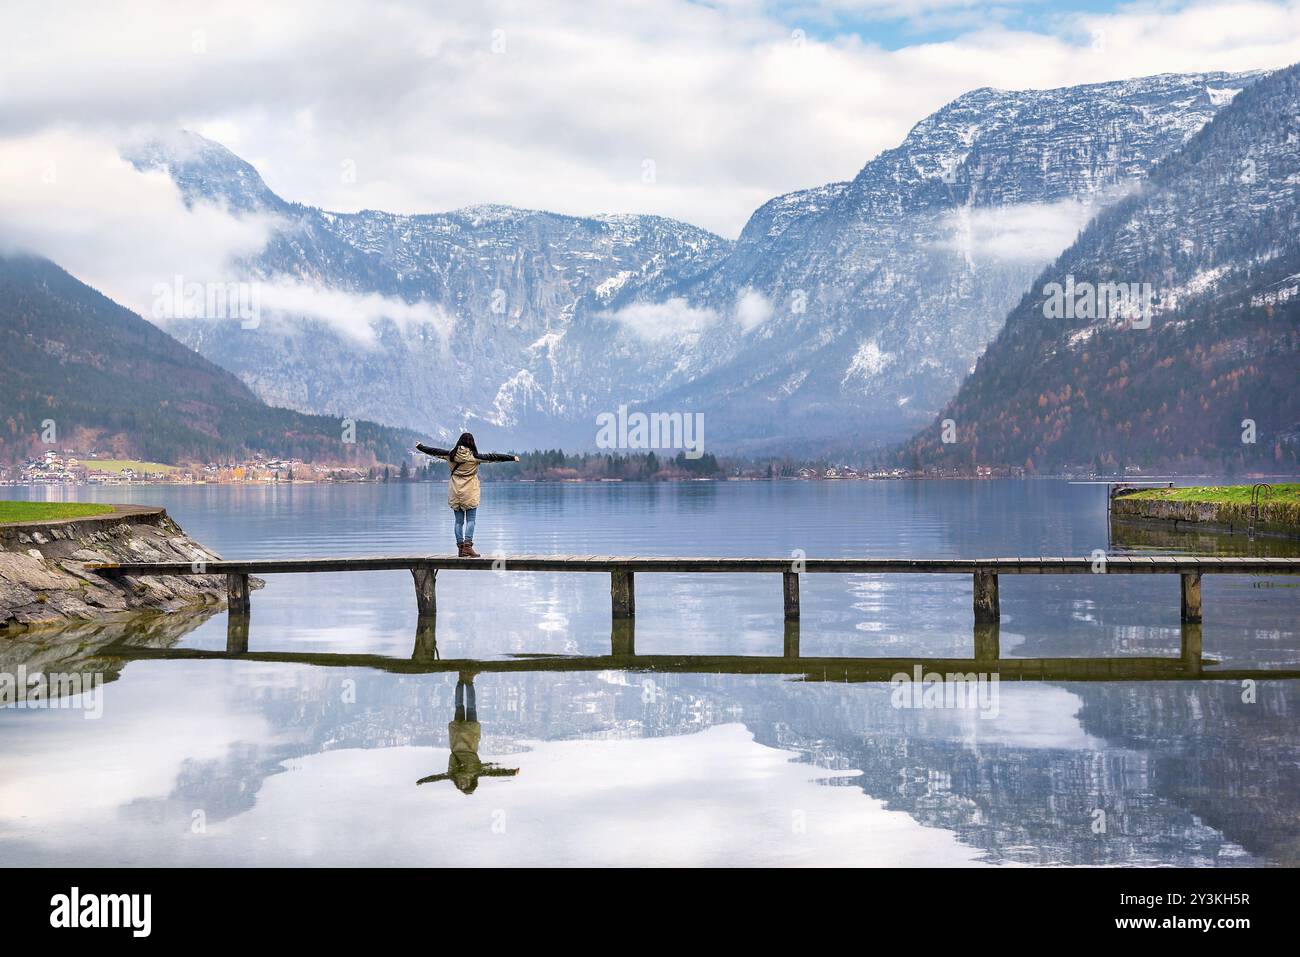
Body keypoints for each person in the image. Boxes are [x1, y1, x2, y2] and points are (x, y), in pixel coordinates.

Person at [415, 432, 519, 557]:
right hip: (469, 491)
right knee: (471, 520)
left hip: (455, 491)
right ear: (472, 443)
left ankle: (460, 548)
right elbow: (494, 457)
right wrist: (512, 458)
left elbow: (432, 451)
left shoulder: (450, 455)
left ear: (459, 442)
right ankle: (468, 546)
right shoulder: (474, 457)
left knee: (458, 521)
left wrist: (420, 446)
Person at [417, 672, 519, 795]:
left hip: (470, 734)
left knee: (470, 707)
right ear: (471, 782)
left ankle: (468, 680)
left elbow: (492, 772)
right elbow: (437, 777)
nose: (461, 784)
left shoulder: (472, 773)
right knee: (459, 706)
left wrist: (510, 772)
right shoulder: (453, 774)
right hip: (456, 734)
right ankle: (461, 680)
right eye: (464, 786)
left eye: (461, 787)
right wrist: (422, 780)